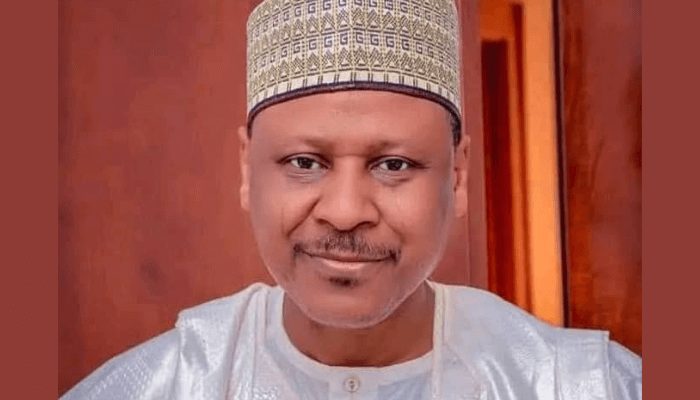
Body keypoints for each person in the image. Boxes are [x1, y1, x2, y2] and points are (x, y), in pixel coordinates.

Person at [61, 0, 641, 399]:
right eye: (304, 163)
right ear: (246, 170)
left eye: (394, 165)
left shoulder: (578, 385)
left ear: (458, 176)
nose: (344, 211)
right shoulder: (166, 384)